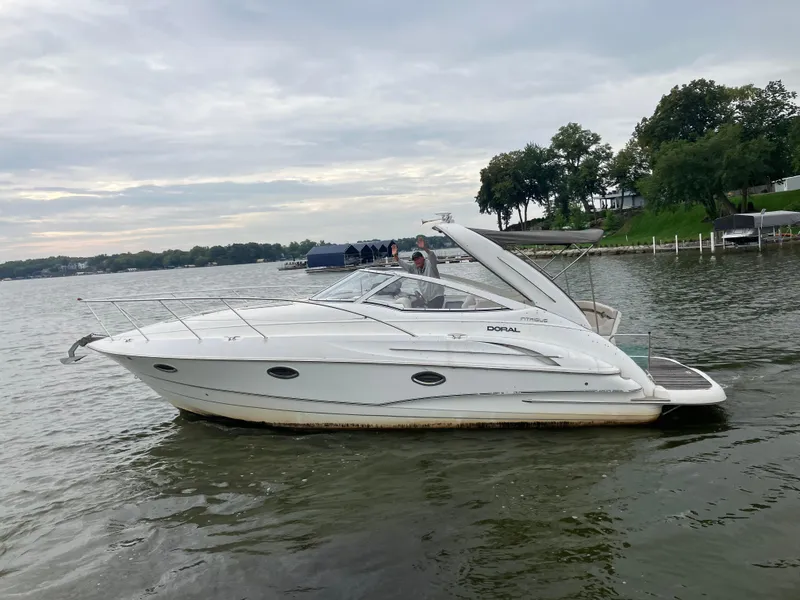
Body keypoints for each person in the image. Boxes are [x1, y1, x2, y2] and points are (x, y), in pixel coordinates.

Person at [392, 235, 445, 308]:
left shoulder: (430, 264)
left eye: (418, 258)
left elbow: (432, 256)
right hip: (428, 299)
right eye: (414, 260)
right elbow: (407, 267)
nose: (416, 261)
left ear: (423, 258)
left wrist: (424, 248)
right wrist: (396, 257)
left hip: (437, 297)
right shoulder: (415, 268)